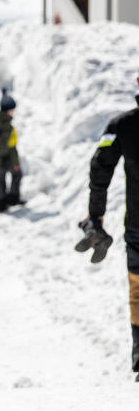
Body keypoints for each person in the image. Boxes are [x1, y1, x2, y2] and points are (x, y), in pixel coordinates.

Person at [74, 77, 139, 381]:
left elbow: (100, 168)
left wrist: (96, 216)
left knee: (138, 290)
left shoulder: (122, 125)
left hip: (138, 227)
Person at [0, 89, 23, 212]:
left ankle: (4, 202)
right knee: (12, 176)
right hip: (3, 158)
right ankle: (6, 201)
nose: (13, 112)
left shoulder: (2, 122)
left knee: (2, 179)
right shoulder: (4, 125)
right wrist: (7, 160)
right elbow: (5, 145)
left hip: (1, 158)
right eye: (12, 109)